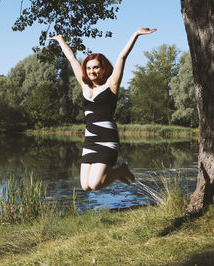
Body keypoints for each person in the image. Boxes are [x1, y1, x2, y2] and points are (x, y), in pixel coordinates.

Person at [49, 28, 157, 191]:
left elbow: (122, 57)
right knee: (85, 186)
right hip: (90, 139)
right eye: (89, 68)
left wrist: (135, 34)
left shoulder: (111, 85)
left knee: (96, 184)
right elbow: (71, 59)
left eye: (96, 67)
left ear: (103, 68)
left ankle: (122, 170)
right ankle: (118, 173)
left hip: (107, 138)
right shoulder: (84, 85)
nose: (91, 71)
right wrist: (60, 40)